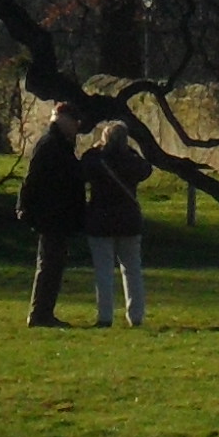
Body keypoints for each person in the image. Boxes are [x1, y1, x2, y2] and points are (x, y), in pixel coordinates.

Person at [79, 120, 155, 328]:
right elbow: (147, 169)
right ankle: (136, 315)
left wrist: (98, 148)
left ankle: (105, 317)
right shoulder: (132, 161)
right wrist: (130, 150)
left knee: (103, 271)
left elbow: (82, 169)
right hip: (129, 220)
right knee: (132, 270)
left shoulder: (95, 160)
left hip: (100, 220)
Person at [17, 101, 87, 327]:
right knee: (50, 264)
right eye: (74, 121)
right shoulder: (51, 144)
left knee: (52, 264)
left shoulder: (58, 144)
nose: (77, 126)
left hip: (57, 213)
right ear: (63, 120)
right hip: (52, 214)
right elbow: (33, 178)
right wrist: (25, 207)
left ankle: (43, 312)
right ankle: (40, 313)